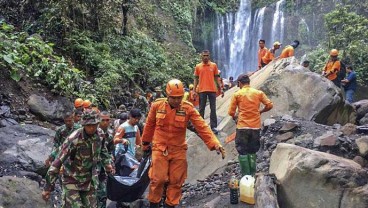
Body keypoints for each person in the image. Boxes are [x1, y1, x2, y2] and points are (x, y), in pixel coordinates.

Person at [141, 79, 225, 208]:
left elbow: (202, 126)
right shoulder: (157, 106)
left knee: (176, 180)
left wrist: (215, 143)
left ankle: (170, 205)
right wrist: (145, 144)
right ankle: (154, 203)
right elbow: (149, 126)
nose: (176, 101)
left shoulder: (188, 108)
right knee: (158, 179)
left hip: (178, 149)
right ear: (167, 95)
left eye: (179, 97)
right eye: (173, 98)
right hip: (160, 147)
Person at [42, 110, 114, 207]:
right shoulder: (74, 139)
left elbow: (103, 150)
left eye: (94, 124)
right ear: (83, 124)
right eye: (89, 125)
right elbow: (58, 162)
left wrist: (107, 164)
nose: (92, 128)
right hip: (72, 179)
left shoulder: (100, 135)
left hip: (89, 180)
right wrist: (48, 188)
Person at [228, 74, 273, 176]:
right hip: (255, 127)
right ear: (249, 82)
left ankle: (246, 176)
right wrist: (261, 111)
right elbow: (269, 105)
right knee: (252, 150)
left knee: (242, 151)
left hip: (242, 127)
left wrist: (235, 117)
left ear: (239, 83)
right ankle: (252, 175)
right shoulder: (258, 93)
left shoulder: (237, 94)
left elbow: (231, 112)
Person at [193, 50, 223, 134]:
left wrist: (221, 88)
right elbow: (196, 78)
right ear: (201, 56)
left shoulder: (213, 65)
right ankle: (201, 126)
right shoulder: (198, 66)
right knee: (201, 109)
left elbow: (217, 78)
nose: (205, 57)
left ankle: (213, 127)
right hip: (202, 90)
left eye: (207, 55)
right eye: (204, 55)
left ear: (209, 56)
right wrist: (194, 91)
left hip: (212, 90)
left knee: (213, 109)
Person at [97, 111, 114, 208]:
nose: (105, 122)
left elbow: (110, 151)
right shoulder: (93, 132)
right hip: (90, 168)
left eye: (107, 120)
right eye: (103, 120)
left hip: (103, 170)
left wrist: (110, 162)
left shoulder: (110, 135)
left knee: (103, 194)